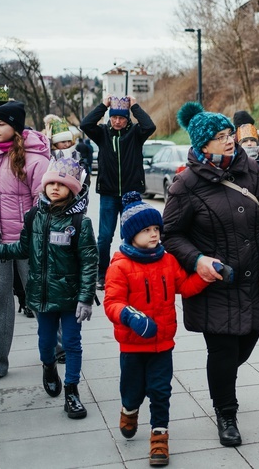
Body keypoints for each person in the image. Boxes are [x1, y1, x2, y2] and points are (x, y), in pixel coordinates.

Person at [163, 102, 259, 446]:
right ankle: (226, 413)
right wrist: (197, 261)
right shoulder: (186, 183)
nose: (229, 141)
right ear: (202, 145)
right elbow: (171, 234)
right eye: (220, 137)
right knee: (222, 352)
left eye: (229, 134)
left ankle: (222, 384)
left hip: (253, 280)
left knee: (247, 341)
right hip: (217, 283)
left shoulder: (251, 170)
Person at [104, 192, 212, 466]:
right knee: (133, 390)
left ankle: (159, 438)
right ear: (131, 235)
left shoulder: (168, 261)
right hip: (132, 345)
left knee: (161, 391)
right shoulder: (120, 266)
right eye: (146, 230)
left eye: (156, 229)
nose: (153, 234)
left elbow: (183, 287)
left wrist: (205, 276)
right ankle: (129, 409)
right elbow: (112, 303)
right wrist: (129, 316)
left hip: (163, 343)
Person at [0, 155, 95, 416]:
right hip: (42, 297)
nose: (55, 188)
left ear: (72, 189)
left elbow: (90, 262)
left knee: (72, 343)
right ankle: (48, 367)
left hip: (71, 297)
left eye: (62, 184)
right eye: (51, 183)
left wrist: (86, 297)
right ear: (44, 185)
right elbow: (22, 248)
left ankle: (72, 391)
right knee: (46, 343)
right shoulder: (33, 216)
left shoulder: (80, 223)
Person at [0, 101, 50, 383]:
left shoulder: (36, 158)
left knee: (40, 296)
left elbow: (43, 201)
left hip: (26, 241)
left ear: (16, 128)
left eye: (1, 125)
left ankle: (55, 346)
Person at [80, 95, 156, 290]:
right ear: (110, 117)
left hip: (131, 194)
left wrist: (135, 106)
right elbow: (86, 124)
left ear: (127, 118)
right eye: (114, 117)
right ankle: (102, 273)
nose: (117, 121)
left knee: (133, 234)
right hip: (108, 193)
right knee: (104, 237)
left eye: (122, 118)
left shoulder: (136, 133)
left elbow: (150, 126)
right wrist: (103, 105)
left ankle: (133, 272)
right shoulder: (102, 133)